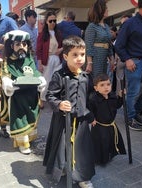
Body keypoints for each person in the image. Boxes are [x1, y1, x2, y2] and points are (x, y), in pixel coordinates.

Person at [43, 36, 95, 188]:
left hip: (82, 120)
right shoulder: (59, 75)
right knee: (62, 147)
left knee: (82, 148)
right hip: (64, 120)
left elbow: (90, 97)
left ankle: (83, 177)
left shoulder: (86, 76)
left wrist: (93, 113)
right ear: (65, 56)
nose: (79, 58)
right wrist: (59, 104)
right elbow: (50, 95)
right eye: (75, 55)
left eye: (82, 54)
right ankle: (61, 170)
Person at [115, 0, 142, 131]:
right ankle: (130, 118)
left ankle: (135, 111)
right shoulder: (129, 23)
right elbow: (119, 45)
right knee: (132, 92)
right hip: (135, 62)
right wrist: (127, 59)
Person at [2, 30, 46, 154]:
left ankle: (30, 138)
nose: (22, 47)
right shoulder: (7, 61)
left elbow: (35, 72)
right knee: (20, 119)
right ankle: (22, 143)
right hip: (18, 96)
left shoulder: (29, 59)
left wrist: (41, 79)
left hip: (31, 94)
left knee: (31, 116)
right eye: (18, 44)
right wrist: (8, 83)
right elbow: (4, 75)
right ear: (12, 46)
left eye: (24, 44)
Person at [89, 73, 126, 165]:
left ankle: (110, 154)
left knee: (110, 140)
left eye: (108, 84)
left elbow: (117, 105)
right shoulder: (94, 99)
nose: (106, 87)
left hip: (111, 124)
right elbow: (90, 110)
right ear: (96, 88)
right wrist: (91, 118)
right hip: (99, 125)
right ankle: (99, 159)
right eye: (102, 85)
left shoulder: (112, 96)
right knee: (101, 142)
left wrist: (121, 97)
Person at [36, 11, 63, 108]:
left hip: (57, 59)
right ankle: (42, 99)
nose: (53, 23)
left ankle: (54, 100)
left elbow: (62, 46)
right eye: (50, 21)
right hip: (46, 59)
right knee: (46, 80)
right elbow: (38, 50)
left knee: (56, 80)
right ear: (46, 22)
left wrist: (61, 50)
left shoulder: (58, 33)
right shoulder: (42, 34)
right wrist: (39, 63)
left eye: (54, 21)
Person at [84, 0, 115, 78]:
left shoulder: (107, 26)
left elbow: (109, 44)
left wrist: (112, 58)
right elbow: (89, 45)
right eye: (106, 8)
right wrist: (89, 63)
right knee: (97, 79)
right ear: (100, 10)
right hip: (96, 57)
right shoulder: (92, 26)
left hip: (105, 58)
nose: (108, 10)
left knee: (104, 79)